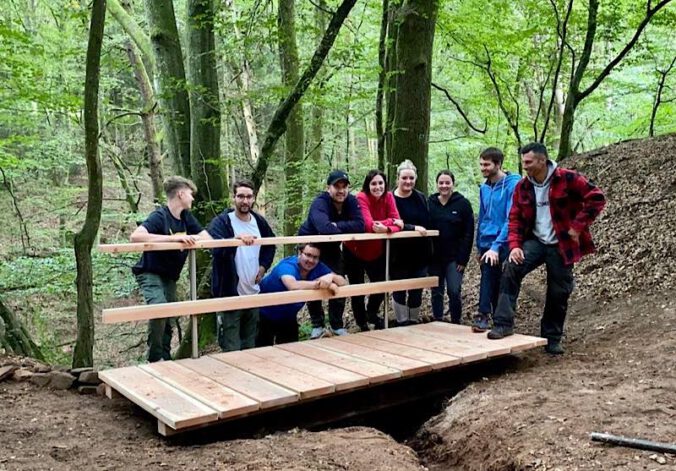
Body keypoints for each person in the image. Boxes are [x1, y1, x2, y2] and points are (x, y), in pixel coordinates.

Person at [487, 142, 606, 355]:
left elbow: (596, 198)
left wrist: (577, 227)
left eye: (528, 162)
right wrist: (514, 246)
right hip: (536, 241)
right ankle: (502, 324)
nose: (525, 166)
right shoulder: (523, 186)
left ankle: (552, 338)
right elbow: (514, 218)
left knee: (559, 290)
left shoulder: (567, 178)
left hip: (561, 243)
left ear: (542, 161)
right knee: (511, 268)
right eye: (523, 162)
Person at [130, 176, 211, 362]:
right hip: (150, 272)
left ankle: (165, 357)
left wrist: (190, 238)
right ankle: (154, 357)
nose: (192, 199)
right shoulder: (160, 216)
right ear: (181, 194)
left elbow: (207, 238)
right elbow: (136, 237)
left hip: (170, 276)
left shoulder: (185, 218)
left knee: (169, 317)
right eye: (191, 195)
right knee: (159, 308)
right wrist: (172, 239)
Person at [208, 180, 276, 352]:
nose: (245, 201)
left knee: (250, 345)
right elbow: (214, 248)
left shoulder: (259, 222)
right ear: (234, 198)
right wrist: (235, 240)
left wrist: (263, 267)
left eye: (248, 197)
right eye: (240, 196)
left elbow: (271, 245)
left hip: (253, 291)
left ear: (253, 199)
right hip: (230, 293)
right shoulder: (222, 222)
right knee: (231, 346)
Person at [298, 170, 364, 339]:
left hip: (332, 247)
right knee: (314, 283)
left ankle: (336, 324)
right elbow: (323, 227)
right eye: (337, 186)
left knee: (339, 280)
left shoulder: (351, 201)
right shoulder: (320, 203)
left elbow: (360, 225)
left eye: (344, 186)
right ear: (329, 188)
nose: (341, 190)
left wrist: (336, 225)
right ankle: (317, 325)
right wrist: (341, 226)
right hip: (311, 246)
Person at [344, 170, 404, 331]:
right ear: (368, 185)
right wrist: (392, 223)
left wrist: (387, 227)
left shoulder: (389, 197)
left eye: (380, 183)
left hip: (376, 249)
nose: (377, 187)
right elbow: (369, 225)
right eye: (373, 184)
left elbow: (399, 223)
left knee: (381, 284)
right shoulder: (361, 198)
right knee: (357, 287)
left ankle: (371, 313)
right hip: (354, 250)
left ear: (385, 184)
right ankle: (361, 323)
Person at [257, 244, 348, 346]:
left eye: (315, 257)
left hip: (288, 317)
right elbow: (293, 285)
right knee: (260, 352)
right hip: (263, 315)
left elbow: (342, 282)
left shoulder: (318, 267)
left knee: (291, 352)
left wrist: (330, 276)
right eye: (308, 255)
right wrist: (320, 283)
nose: (311, 260)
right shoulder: (287, 265)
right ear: (300, 253)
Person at [473, 147, 521, 333]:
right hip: (487, 240)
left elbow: (511, 218)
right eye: (481, 164)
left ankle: (493, 316)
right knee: (489, 276)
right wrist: (480, 246)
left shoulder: (512, 184)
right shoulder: (484, 188)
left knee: (503, 279)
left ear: (498, 164)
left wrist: (495, 246)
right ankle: (487, 316)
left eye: (487, 164)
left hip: (506, 240)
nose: (483, 168)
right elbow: (483, 217)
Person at [428, 170, 474, 323]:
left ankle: (456, 321)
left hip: (455, 258)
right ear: (437, 184)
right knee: (436, 291)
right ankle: (438, 320)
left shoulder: (463, 204)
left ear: (453, 184)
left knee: (454, 290)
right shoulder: (430, 203)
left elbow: (469, 233)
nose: (444, 185)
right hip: (434, 257)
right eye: (441, 183)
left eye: (447, 182)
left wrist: (463, 259)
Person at [391, 160, 430, 326]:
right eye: (405, 178)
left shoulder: (420, 197)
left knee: (416, 287)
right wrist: (411, 227)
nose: (408, 182)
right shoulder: (390, 198)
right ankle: (401, 321)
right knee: (399, 287)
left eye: (411, 178)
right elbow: (392, 222)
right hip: (397, 253)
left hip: (419, 252)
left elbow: (427, 221)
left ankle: (413, 320)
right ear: (398, 178)